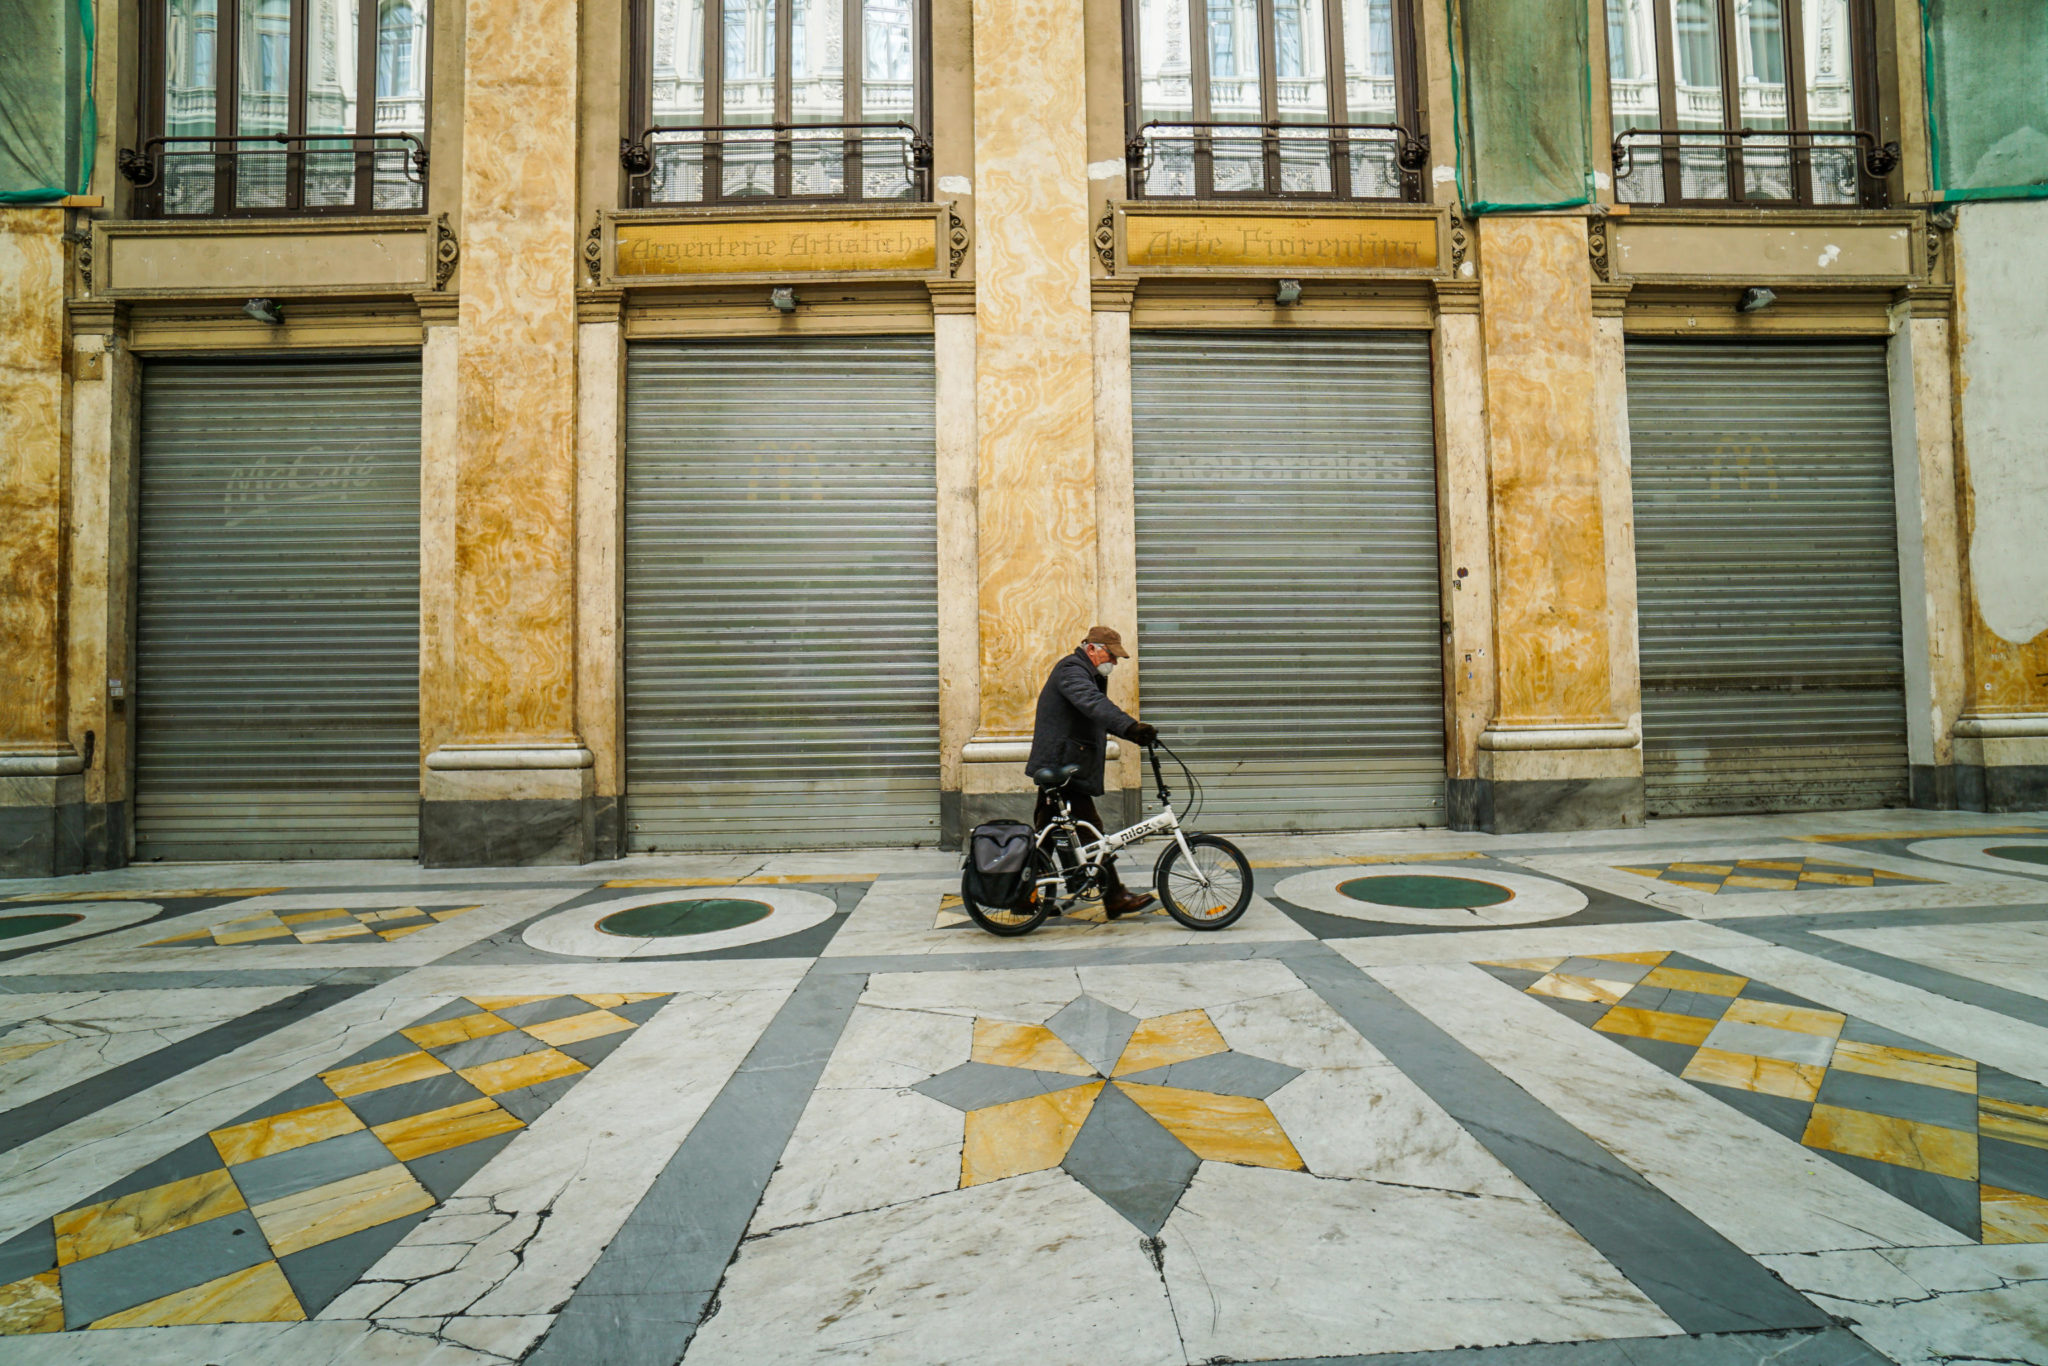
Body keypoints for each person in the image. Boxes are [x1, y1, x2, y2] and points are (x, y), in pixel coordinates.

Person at [1026, 625, 1160, 918]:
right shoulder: (1072, 670)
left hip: (1065, 765)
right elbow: (1093, 704)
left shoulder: (1085, 672)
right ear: (1092, 649)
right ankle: (1114, 897)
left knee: (1047, 834)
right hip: (1062, 767)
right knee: (1092, 831)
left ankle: (1025, 897)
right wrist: (1131, 728)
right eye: (1110, 656)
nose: (1112, 663)